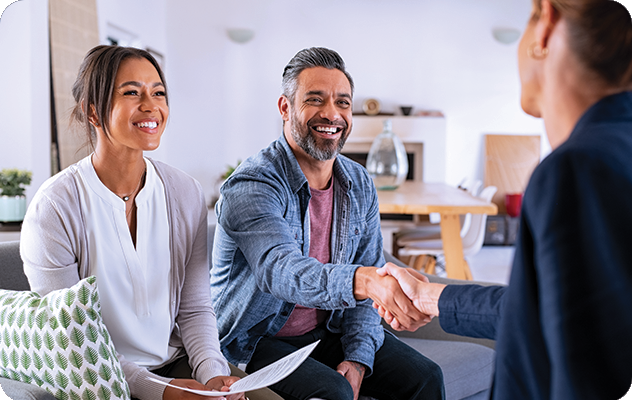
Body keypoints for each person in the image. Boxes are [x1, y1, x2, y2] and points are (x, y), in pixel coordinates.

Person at [374, 0, 632, 399]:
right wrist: (431, 297)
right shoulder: (617, 147)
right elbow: (548, 312)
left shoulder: (577, 168)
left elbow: (580, 371)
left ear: (545, 22)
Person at [211, 47, 444, 400]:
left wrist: (358, 356)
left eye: (343, 103)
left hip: (326, 331)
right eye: (315, 100)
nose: (331, 114)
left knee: (426, 377)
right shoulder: (253, 185)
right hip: (255, 339)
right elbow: (280, 269)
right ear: (285, 107)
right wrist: (363, 280)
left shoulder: (359, 182)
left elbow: (369, 281)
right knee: (331, 391)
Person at [20, 45, 248, 400]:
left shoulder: (185, 192)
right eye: (132, 92)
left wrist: (214, 376)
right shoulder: (54, 207)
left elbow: (195, 309)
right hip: (96, 378)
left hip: (175, 363)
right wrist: (162, 391)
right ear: (92, 112)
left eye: (158, 92)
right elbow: (74, 339)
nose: (151, 106)